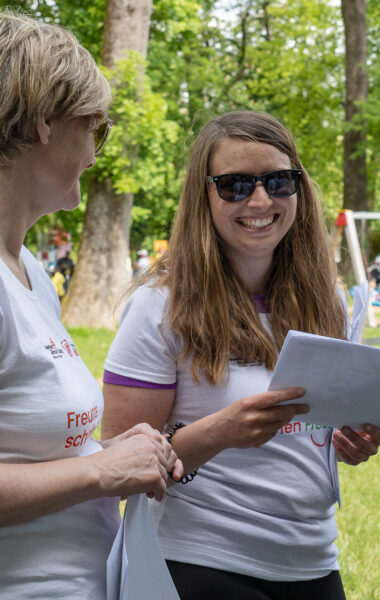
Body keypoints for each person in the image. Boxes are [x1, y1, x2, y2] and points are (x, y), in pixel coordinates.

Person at [101, 111, 380, 600]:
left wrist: (350, 437)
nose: (259, 201)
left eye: (278, 181)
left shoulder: (329, 302)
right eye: (234, 185)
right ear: (203, 195)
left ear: (299, 188)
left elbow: (322, 430)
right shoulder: (160, 305)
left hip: (314, 561)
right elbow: (115, 467)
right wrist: (219, 433)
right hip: (201, 562)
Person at [0, 11, 182, 599]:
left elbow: (32, 453)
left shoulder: (29, 271)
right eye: (95, 129)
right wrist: (100, 470)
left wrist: (113, 453)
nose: (95, 154)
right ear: (45, 121)